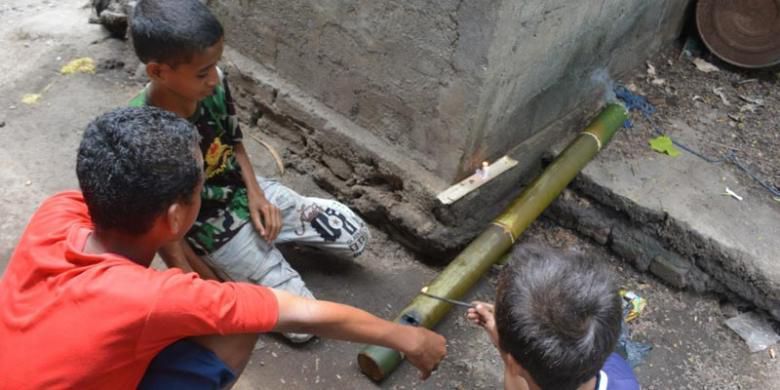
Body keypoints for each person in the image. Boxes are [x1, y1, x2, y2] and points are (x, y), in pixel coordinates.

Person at [0, 107, 445, 389]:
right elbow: (300, 312)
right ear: (175, 217)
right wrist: (407, 336)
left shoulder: (56, 212)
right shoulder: (152, 298)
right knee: (237, 327)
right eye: (200, 184)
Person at [128, 0, 370, 342]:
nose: (214, 79)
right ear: (158, 72)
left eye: (216, 65)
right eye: (202, 73)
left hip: (240, 192)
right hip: (212, 229)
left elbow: (234, 140)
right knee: (304, 331)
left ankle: (262, 257)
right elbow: (167, 233)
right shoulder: (143, 134)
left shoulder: (214, 82)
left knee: (357, 237)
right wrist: (203, 287)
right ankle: (243, 268)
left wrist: (256, 194)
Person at [466, 246, 640, 390]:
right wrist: (511, 348)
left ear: (515, 365)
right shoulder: (624, 381)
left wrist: (506, 349)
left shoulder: (514, 371)